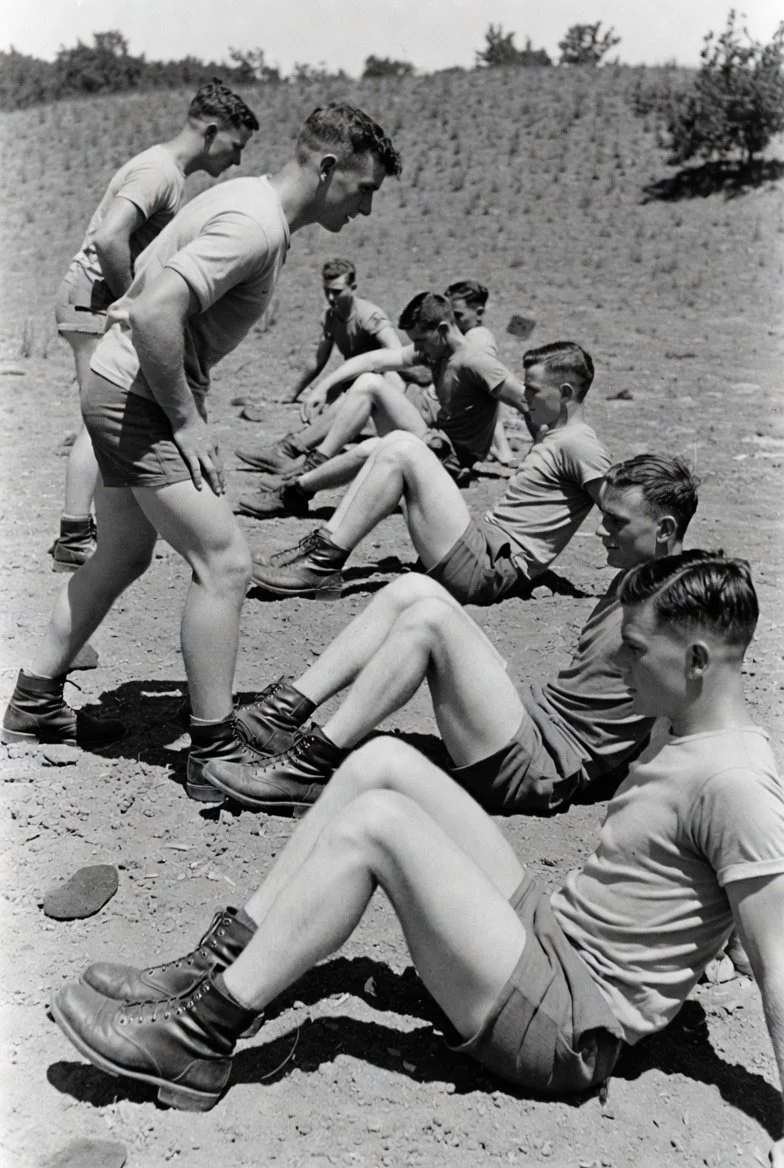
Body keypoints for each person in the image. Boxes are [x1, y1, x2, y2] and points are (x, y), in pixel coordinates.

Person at [49, 552, 784, 1168]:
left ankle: (200, 1034)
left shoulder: (736, 784)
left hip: (567, 1026)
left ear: (696, 661)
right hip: (553, 940)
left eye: (635, 648)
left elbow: (778, 962)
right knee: (382, 765)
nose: (617, 661)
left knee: (378, 826)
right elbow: (693, 880)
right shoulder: (680, 724)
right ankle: (217, 965)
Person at [1, 103, 402, 805]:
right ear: (328, 167)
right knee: (226, 562)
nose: (365, 208)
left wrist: (174, 384)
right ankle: (214, 752)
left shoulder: (247, 203)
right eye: (364, 189)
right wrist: (186, 421)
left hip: (120, 385)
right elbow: (156, 309)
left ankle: (34, 702)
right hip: (139, 400)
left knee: (122, 553)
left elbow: (149, 294)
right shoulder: (255, 223)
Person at [204, 453, 696, 814]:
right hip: (531, 720)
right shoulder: (637, 574)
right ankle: (280, 714)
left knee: (429, 622)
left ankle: (309, 767)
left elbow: (690, 712)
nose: (601, 530)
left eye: (616, 522)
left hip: (538, 768)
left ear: (665, 529)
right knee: (414, 589)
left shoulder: (678, 610)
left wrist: (635, 791)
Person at [50, 79, 260, 573]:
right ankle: (74, 534)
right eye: (236, 146)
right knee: (100, 416)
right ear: (212, 132)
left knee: (107, 412)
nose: (237, 160)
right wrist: (132, 300)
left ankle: (96, 530)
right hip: (94, 297)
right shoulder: (160, 172)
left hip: (95, 298)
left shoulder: (167, 171)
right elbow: (109, 238)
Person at [246, 341, 609, 602]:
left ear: (565, 393)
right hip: (481, 548)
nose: (524, 397)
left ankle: (322, 565)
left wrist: (635, 587)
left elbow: (620, 507)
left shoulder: (580, 444)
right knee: (383, 445)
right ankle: (314, 549)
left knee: (404, 448)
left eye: (533, 390)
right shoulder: (552, 432)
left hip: (489, 570)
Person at [234, 291, 529, 522]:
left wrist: (536, 463)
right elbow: (374, 359)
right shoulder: (437, 352)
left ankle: (296, 488)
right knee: (368, 384)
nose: (417, 349)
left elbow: (530, 403)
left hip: (451, 463)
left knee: (372, 437)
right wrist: (323, 387)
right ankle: (302, 477)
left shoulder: (476, 362)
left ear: (442, 329)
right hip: (434, 443)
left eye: (420, 341)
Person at [444, 278, 515, 466]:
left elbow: (491, 390)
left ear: (479, 312)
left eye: (457, 315)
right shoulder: (463, 335)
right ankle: (502, 449)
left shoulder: (478, 341)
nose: (451, 321)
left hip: (462, 436)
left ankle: (501, 449)